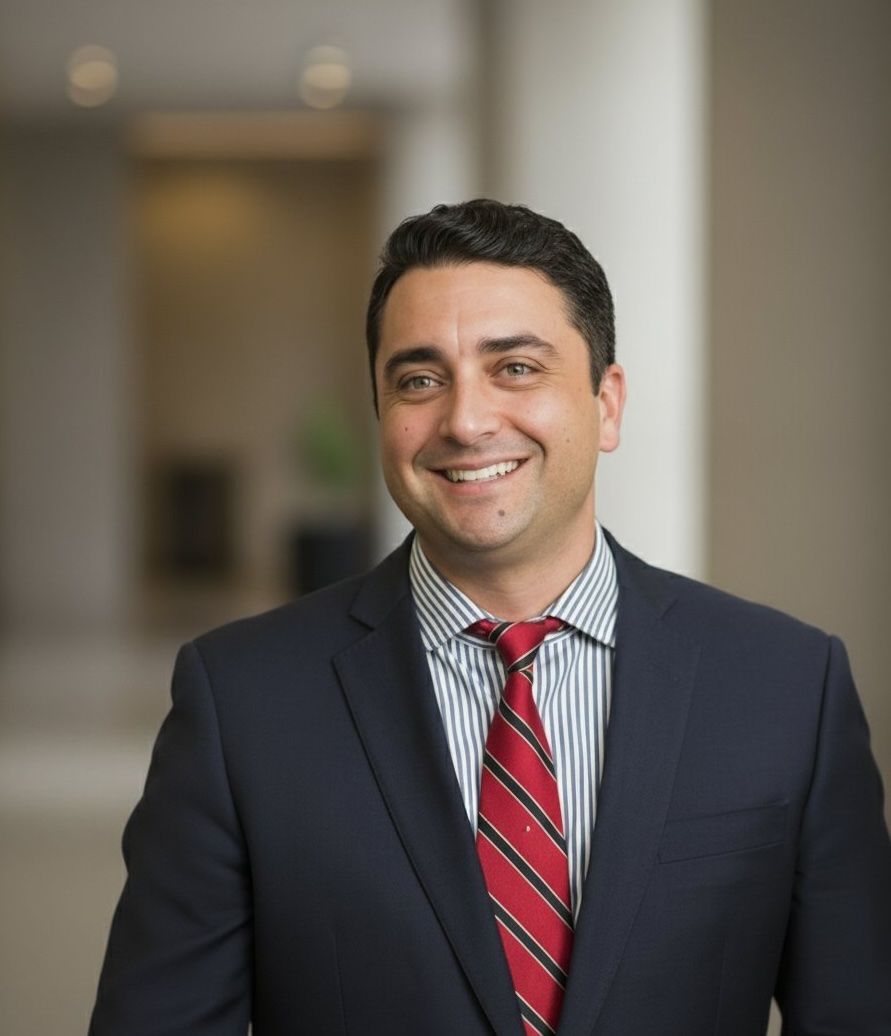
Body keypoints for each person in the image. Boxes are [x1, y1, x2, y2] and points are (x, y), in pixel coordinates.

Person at [90, 200, 891, 1035]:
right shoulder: (241, 703)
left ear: (606, 403)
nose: (466, 421)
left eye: (514, 368)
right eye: (419, 379)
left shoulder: (788, 689)